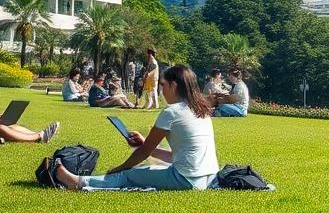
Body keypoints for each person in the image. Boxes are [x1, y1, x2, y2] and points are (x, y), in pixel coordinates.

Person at [54, 64, 219, 191]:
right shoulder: (201, 111)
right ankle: (80, 181)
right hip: (207, 178)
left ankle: (76, 182)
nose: (161, 90)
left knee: (128, 175)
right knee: (148, 169)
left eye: (163, 85)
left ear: (173, 86)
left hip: (186, 180)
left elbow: (143, 153)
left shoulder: (172, 112)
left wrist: (118, 169)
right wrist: (144, 143)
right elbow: (176, 155)